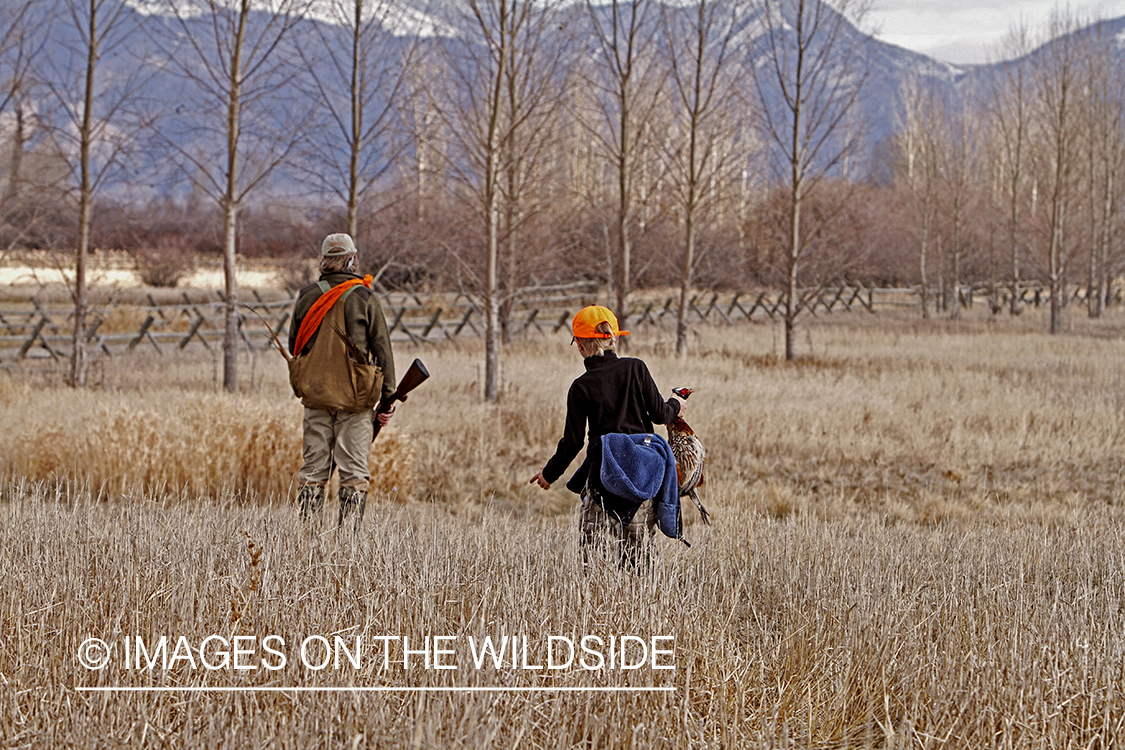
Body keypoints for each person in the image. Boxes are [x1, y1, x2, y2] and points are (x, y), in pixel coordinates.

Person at [529, 305, 686, 568]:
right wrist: (676, 404)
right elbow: (660, 414)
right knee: (640, 560)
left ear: (579, 345)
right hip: (642, 476)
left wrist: (549, 473)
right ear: (614, 338)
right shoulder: (636, 368)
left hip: (604, 479)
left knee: (597, 562)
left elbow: (573, 442)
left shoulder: (581, 387)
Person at [288, 233, 396, 531]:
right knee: (353, 474)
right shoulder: (363, 297)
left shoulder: (307, 295)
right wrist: (387, 400)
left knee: (313, 472)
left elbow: (295, 347)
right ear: (353, 260)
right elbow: (382, 350)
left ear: (323, 260)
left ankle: (306, 538)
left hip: (316, 396)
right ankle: (347, 543)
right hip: (356, 401)